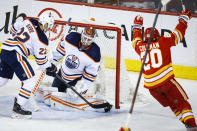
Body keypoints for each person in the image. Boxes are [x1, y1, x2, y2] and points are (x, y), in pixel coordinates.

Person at [129, 9, 197, 131]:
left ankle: (186, 123)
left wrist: (137, 27)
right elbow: (177, 35)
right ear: (157, 36)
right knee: (182, 103)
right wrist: (183, 20)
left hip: (152, 88)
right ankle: (192, 126)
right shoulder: (163, 41)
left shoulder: (140, 47)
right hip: (166, 83)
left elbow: (135, 41)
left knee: (173, 105)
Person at [0, 13, 57, 119]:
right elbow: (41, 61)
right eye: (48, 26)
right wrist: (50, 67)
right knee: (30, 81)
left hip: (5, 49)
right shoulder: (42, 38)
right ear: (45, 24)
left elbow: (13, 27)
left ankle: (18, 106)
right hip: (16, 54)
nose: (48, 28)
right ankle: (18, 107)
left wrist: (21, 41)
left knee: (2, 80)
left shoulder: (30, 20)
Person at [51, 19, 101, 96]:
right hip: (61, 74)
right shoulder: (71, 38)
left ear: (93, 39)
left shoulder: (95, 52)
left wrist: (81, 88)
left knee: (69, 102)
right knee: (53, 96)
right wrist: (53, 63)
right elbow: (60, 50)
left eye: (89, 39)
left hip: (76, 80)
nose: (86, 41)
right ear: (81, 34)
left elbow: (90, 75)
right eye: (85, 38)